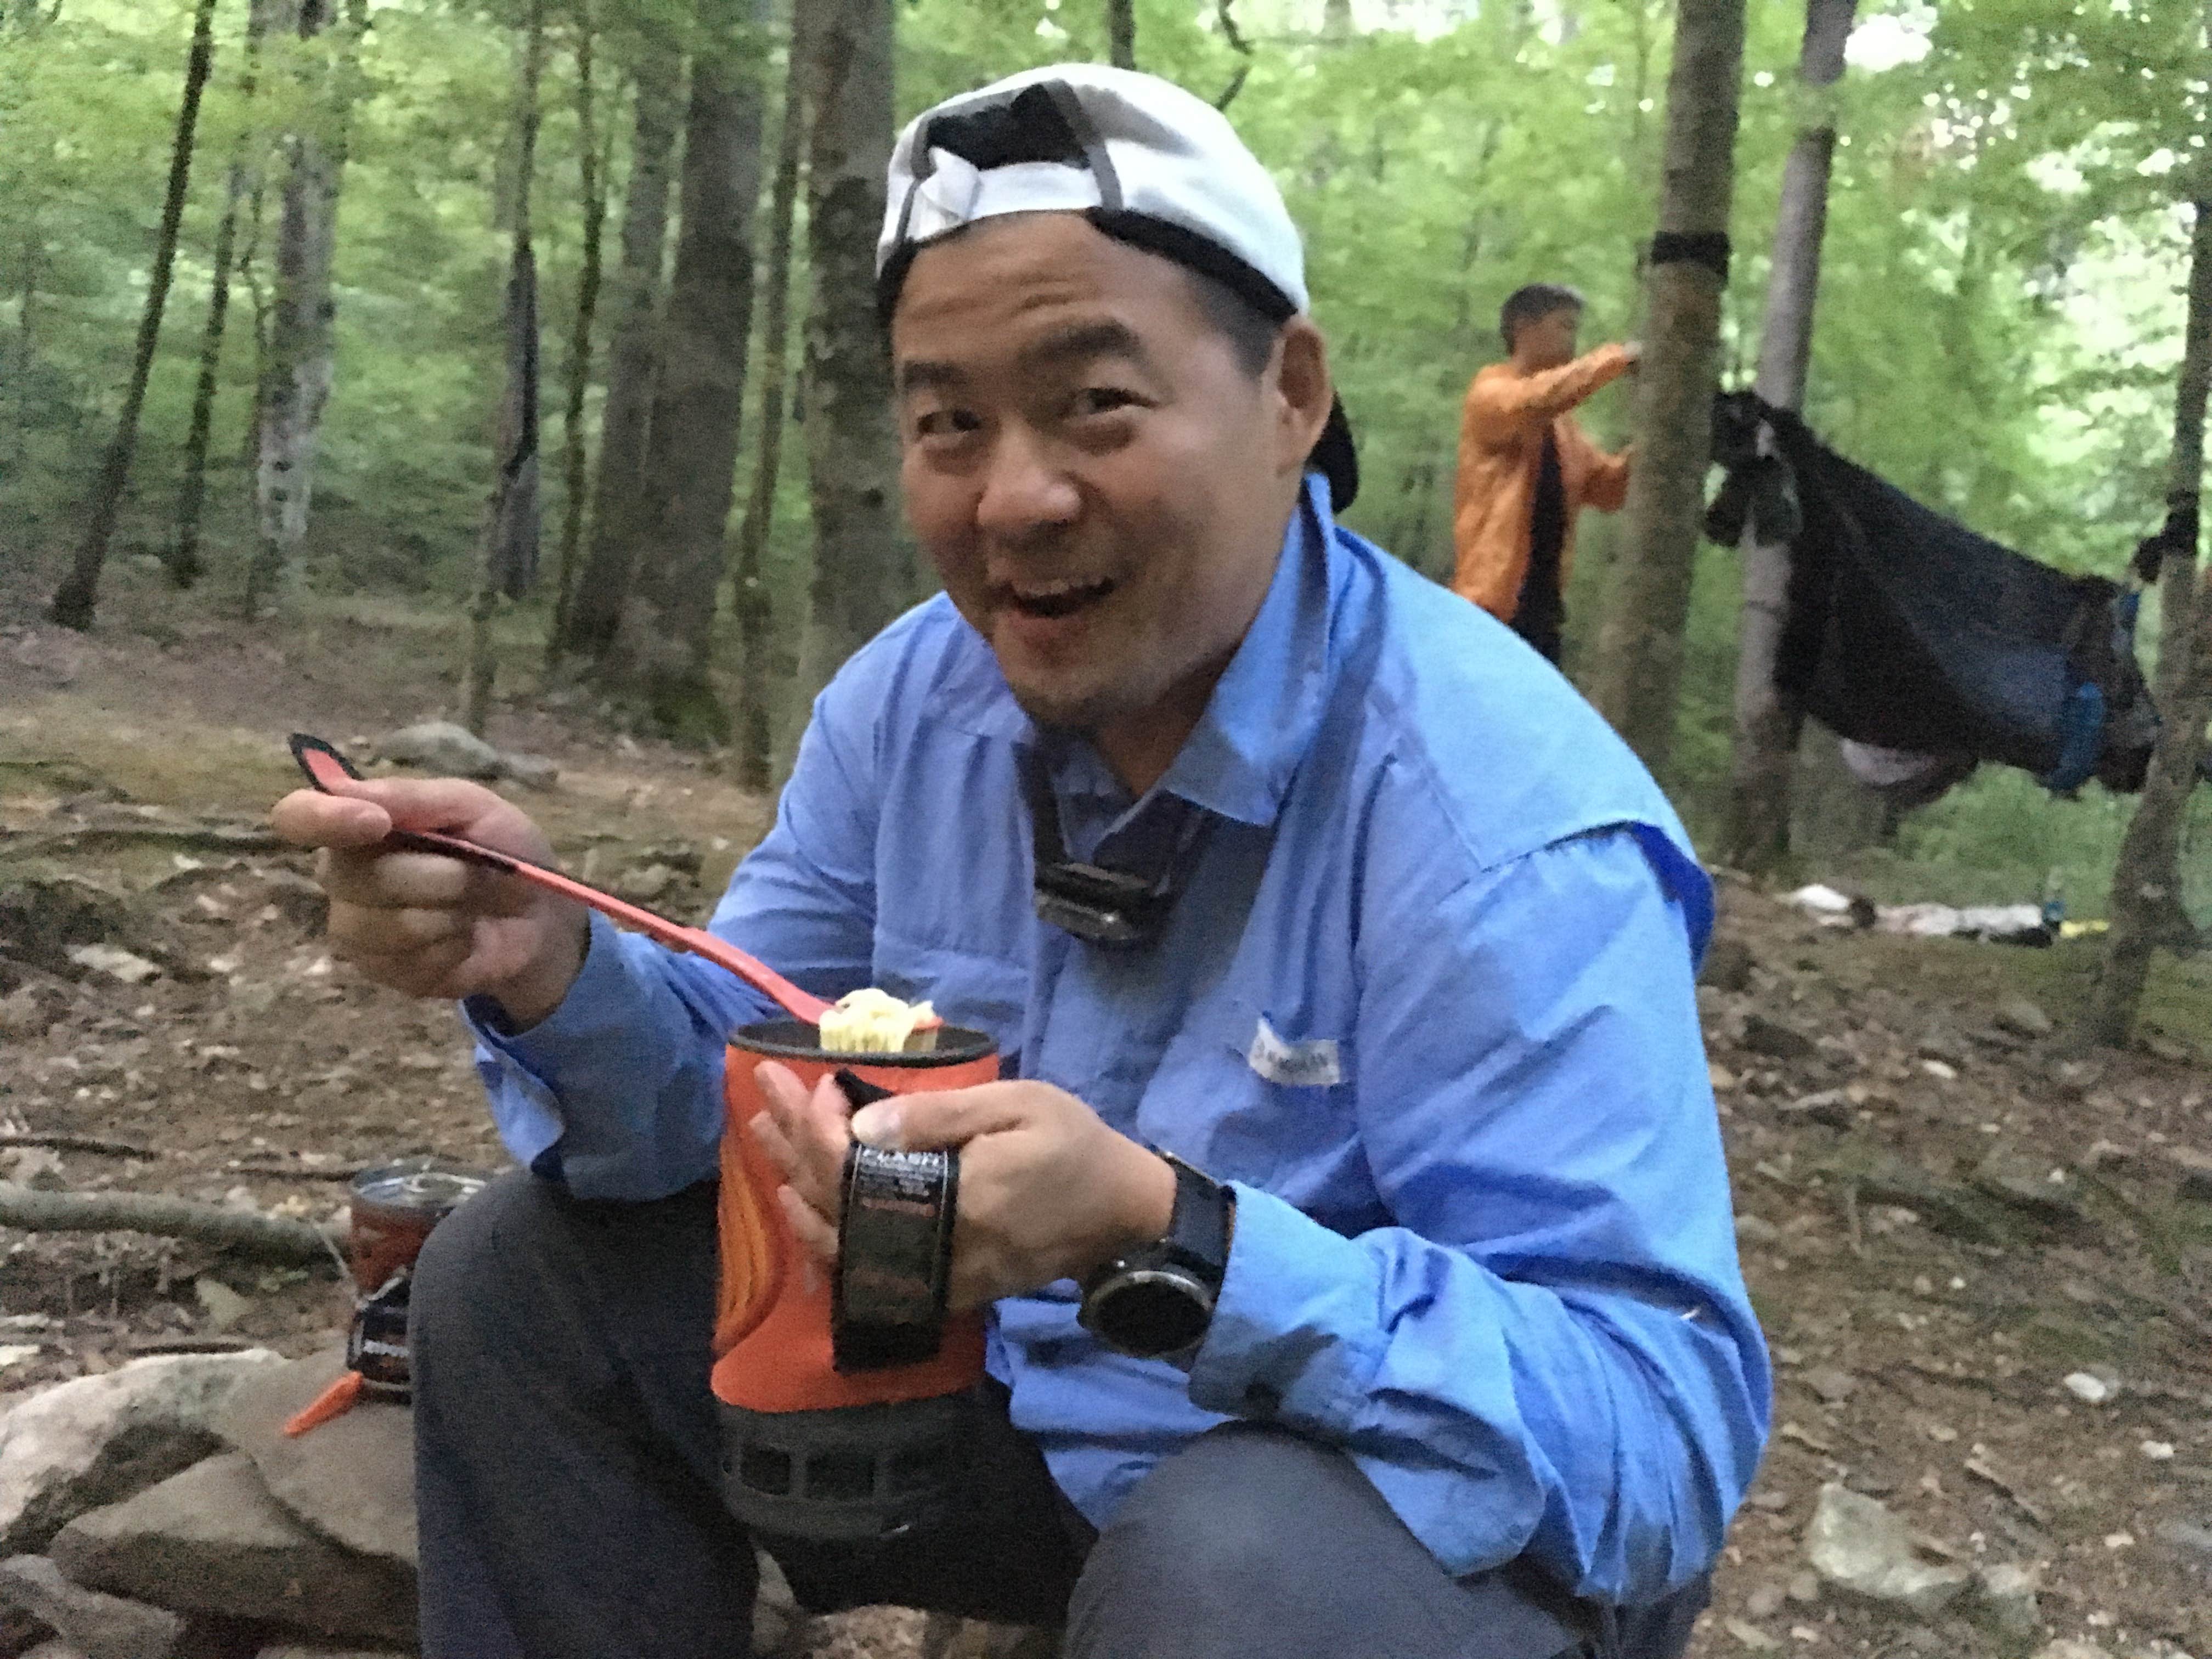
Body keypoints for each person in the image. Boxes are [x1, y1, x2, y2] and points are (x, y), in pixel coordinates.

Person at [273, 65, 1767, 1659]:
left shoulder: (1495, 818)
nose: (1019, 498)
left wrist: (1167, 1235)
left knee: (1234, 1572)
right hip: (1019, 1419)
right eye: (948, 425)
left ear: (1290, 397)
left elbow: (1654, 1427)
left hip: (1384, 1531)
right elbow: (725, 1113)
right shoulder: (913, 706)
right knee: (519, 1284)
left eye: (1095, 406)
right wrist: (551, 968)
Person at [1451, 284, 1638, 663]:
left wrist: (1653, 447)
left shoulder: (1564, 430)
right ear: (1523, 327)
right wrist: (1616, 359)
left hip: (1543, 616)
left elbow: (1606, 489)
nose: (1574, 340)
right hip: (1487, 609)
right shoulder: (1490, 392)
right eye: (1565, 326)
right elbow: (1533, 401)